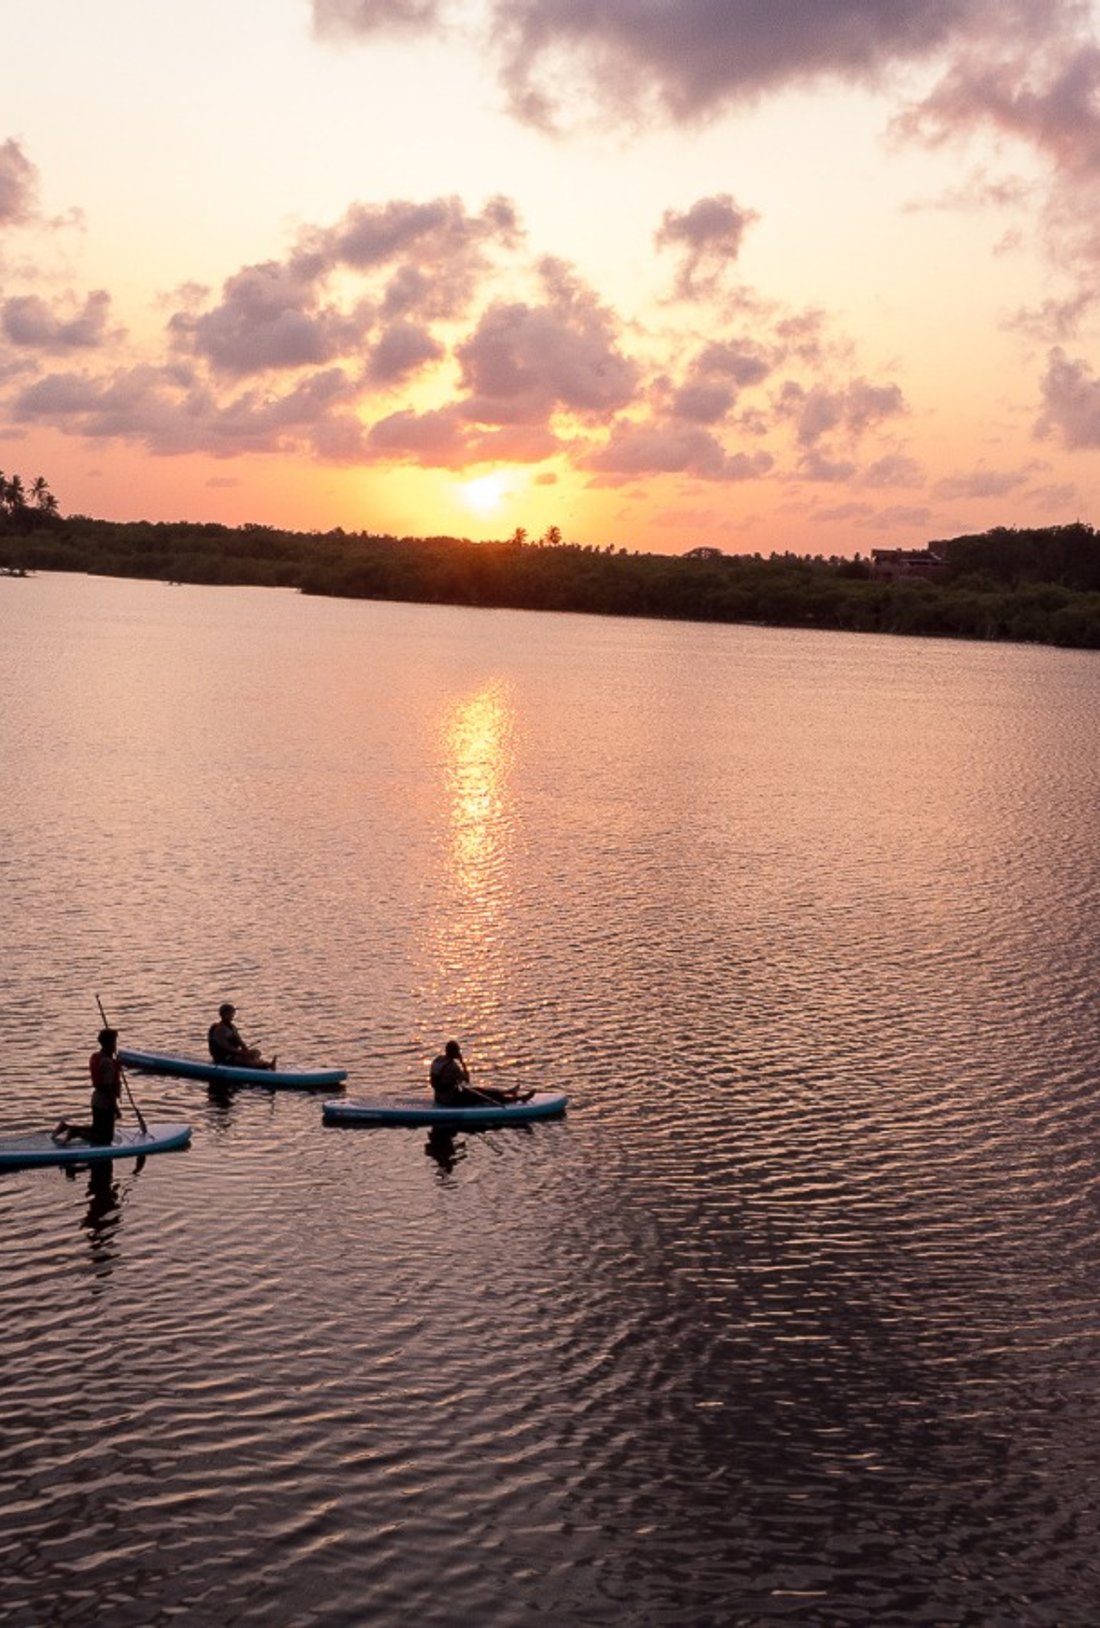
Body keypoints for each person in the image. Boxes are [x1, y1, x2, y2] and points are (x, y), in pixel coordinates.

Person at [52, 1028, 124, 1146]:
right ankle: (75, 1132)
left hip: (96, 1099)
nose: (115, 1045)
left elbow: (105, 1070)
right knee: (106, 1138)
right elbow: (108, 1088)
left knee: (97, 1129)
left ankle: (66, 1127)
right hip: (105, 1102)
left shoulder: (96, 1057)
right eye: (114, 1042)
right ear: (108, 1043)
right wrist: (116, 1108)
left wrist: (116, 1065)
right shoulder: (108, 1063)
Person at [428, 1040, 532, 1107]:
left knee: (481, 1090)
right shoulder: (453, 1066)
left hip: (439, 1096)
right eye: (458, 1051)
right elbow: (467, 1080)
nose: (459, 1053)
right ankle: (517, 1099)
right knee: (483, 1094)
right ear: (454, 1053)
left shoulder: (438, 1059)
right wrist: (463, 1063)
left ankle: (508, 1092)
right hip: (450, 1099)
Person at [208, 1003, 276, 1070]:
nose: (231, 1016)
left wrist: (246, 1051)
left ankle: (258, 1062)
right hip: (224, 1057)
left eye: (232, 1014)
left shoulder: (232, 1027)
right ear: (222, 1015)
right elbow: (226, 1047)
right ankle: (266, 1065)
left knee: (256, 1052)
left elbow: (239, 1040)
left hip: (234, 1054)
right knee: (242, 1058)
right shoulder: (219, 1029)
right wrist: (241, 1053)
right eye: (229, 1014)